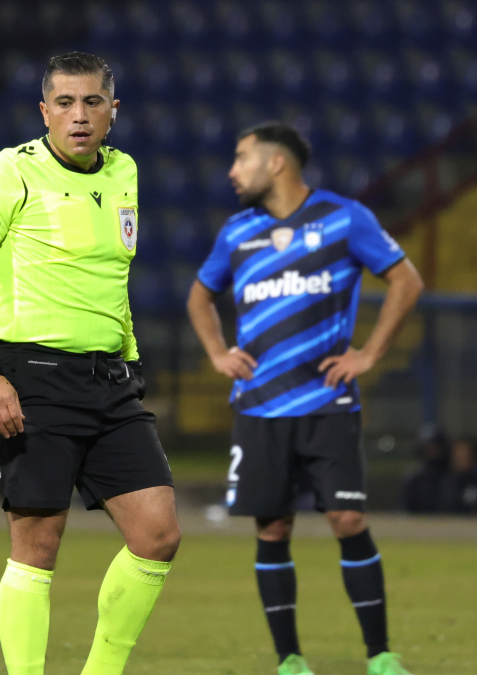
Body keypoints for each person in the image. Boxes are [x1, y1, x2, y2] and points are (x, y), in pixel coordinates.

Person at [0, 52, 179, 675]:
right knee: (37, 546)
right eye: (66, 104)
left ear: (113, 110)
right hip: (32, 379)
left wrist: (129, 357)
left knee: (158, 533)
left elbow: (114, 279)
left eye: (92, 103)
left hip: (110, 383)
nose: (80, 116)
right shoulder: (8, 173)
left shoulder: (125, 171)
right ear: (44, 111)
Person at [187, 121, 423, 675]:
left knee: (347, 519)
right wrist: (219, 352)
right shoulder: (236, 232)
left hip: (327, 402)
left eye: (241, 158)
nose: (231, 171)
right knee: (272, 528)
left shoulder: (344, 218)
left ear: (277, 163)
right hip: (259, 407)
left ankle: (381, 655)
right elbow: (201, 296)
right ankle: (290, 659)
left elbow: (406, 280)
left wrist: (369, 353)